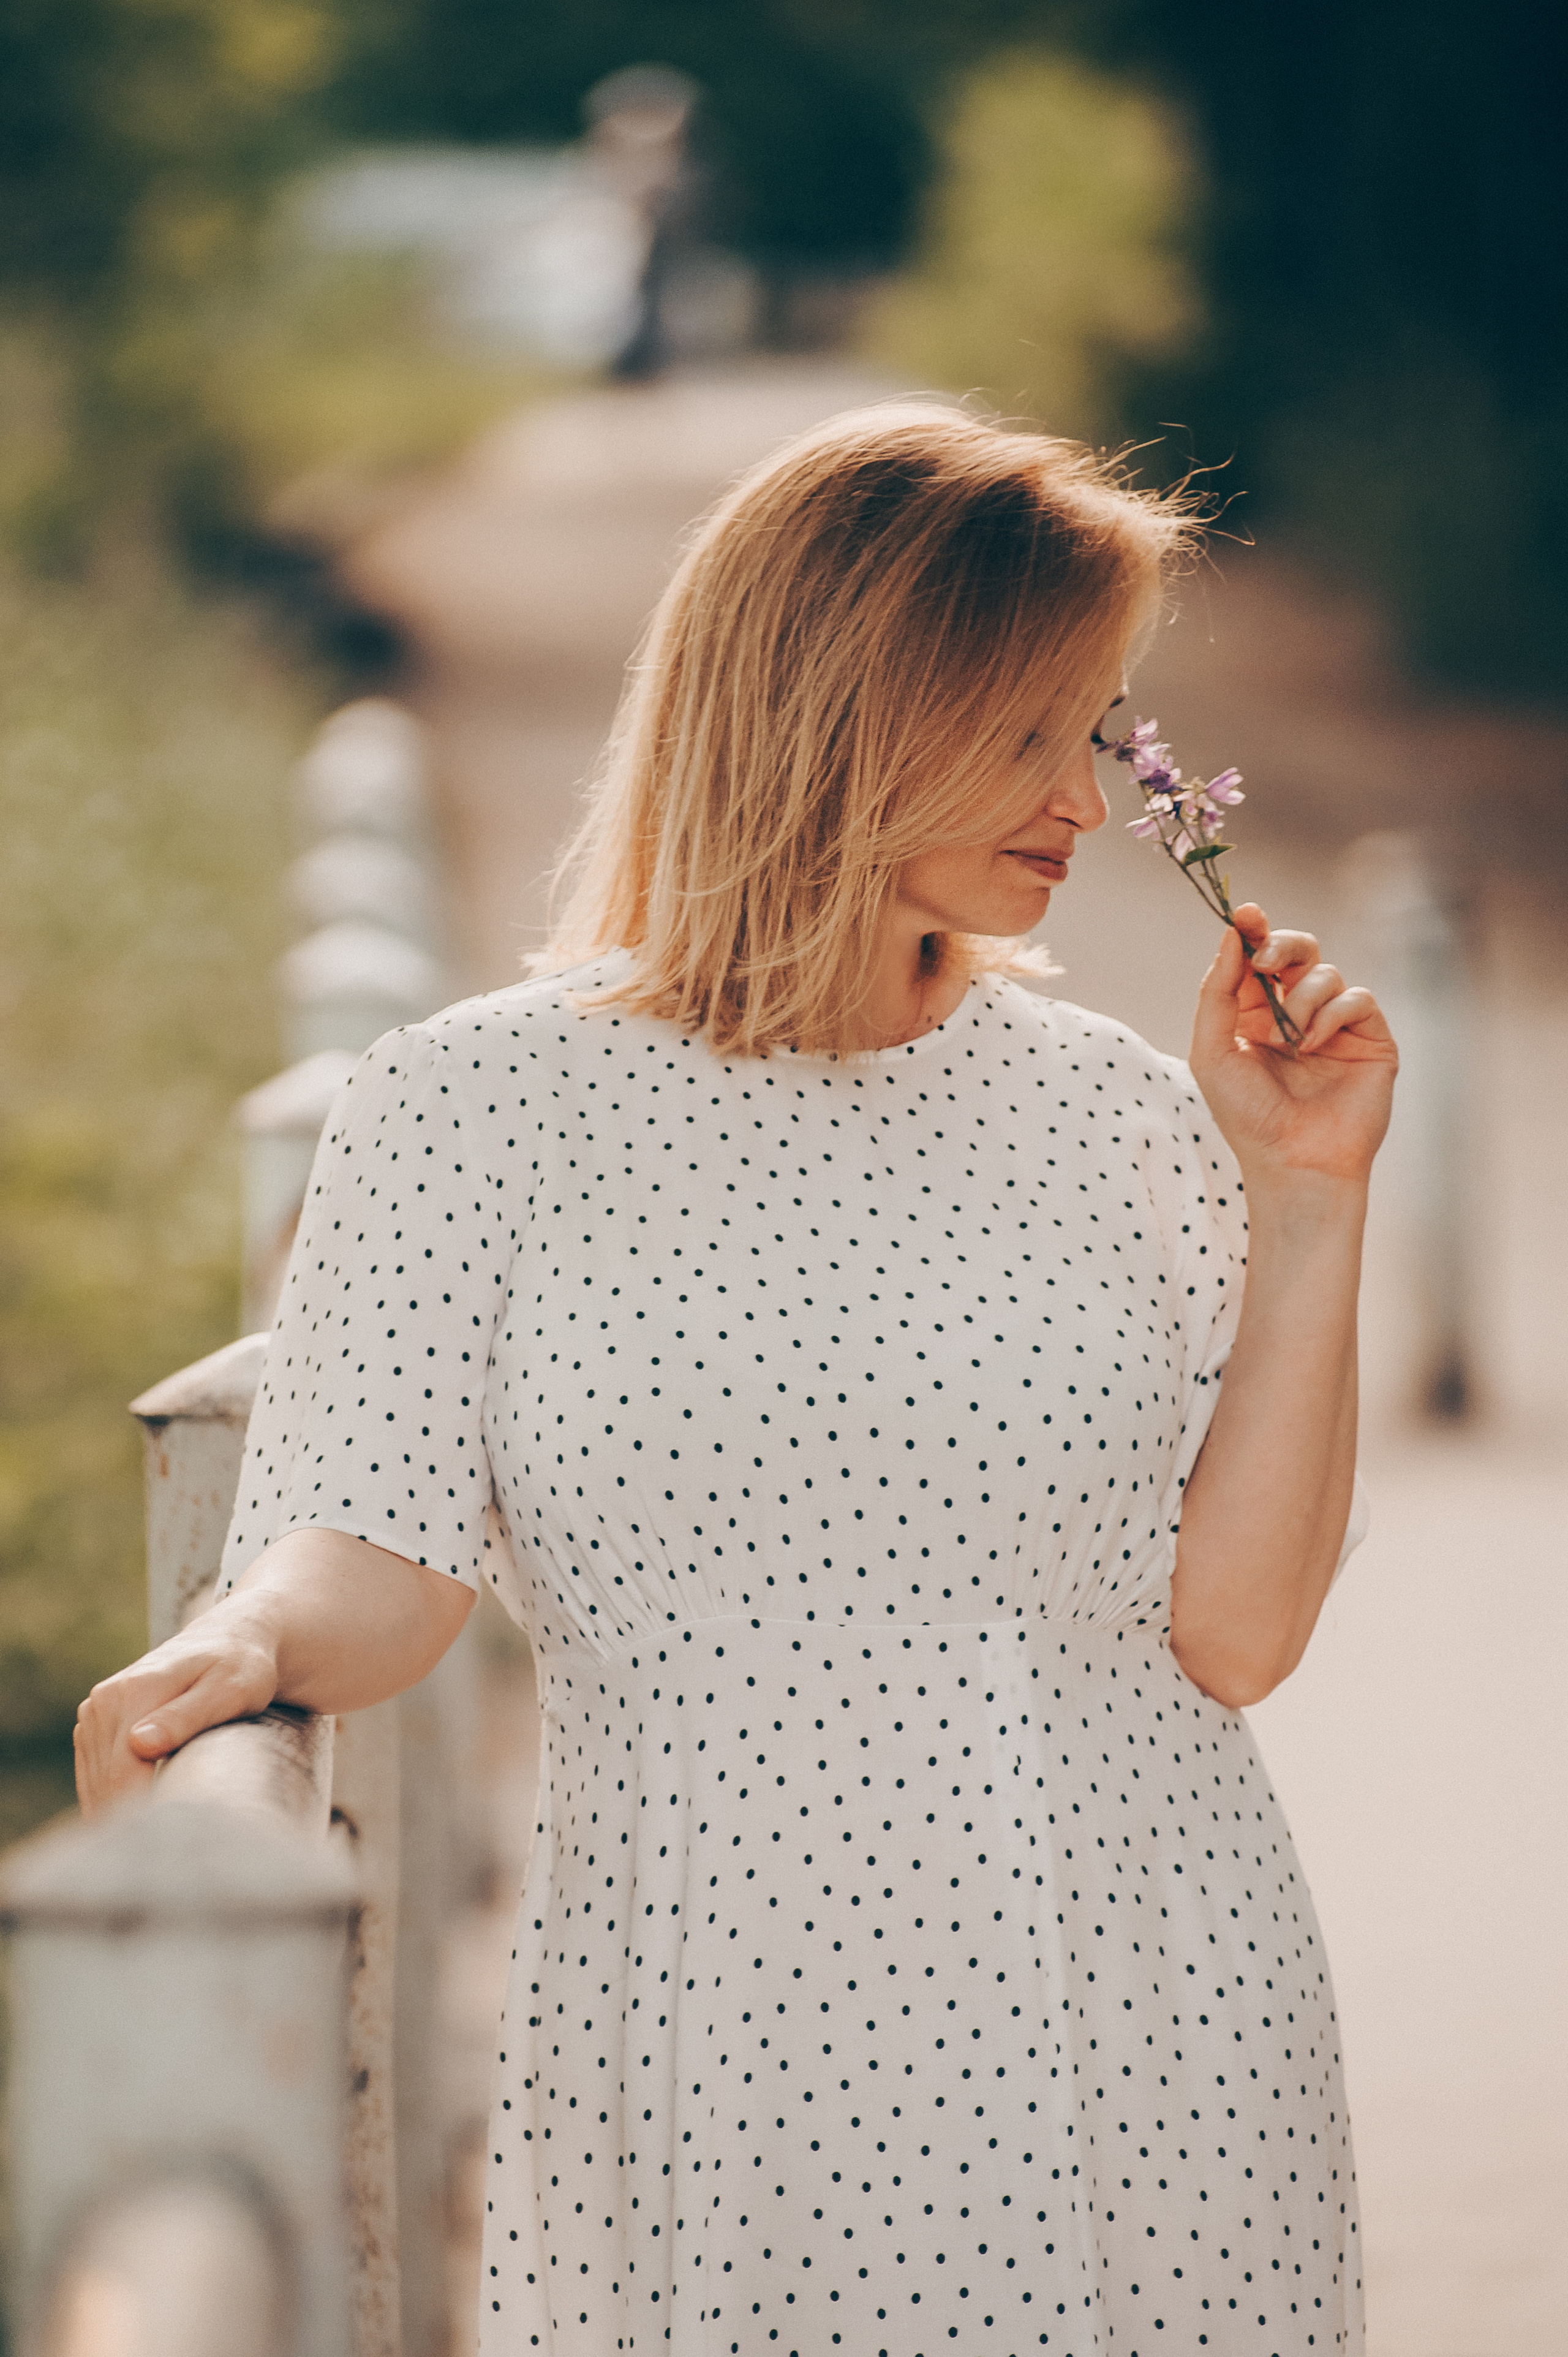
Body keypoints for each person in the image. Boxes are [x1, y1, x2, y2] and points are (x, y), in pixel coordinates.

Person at [77, 405, 1397, 2354]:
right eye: (1033, 731)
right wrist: (244, 1645)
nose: (1092, 800)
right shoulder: (471, 1107)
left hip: (1150, 2010)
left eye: (1100, 728)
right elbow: (372, 1552)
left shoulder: (1118, 1113)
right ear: (845, 704)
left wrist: (1311, 1203)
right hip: (716, 2040)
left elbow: (1241, 1632)